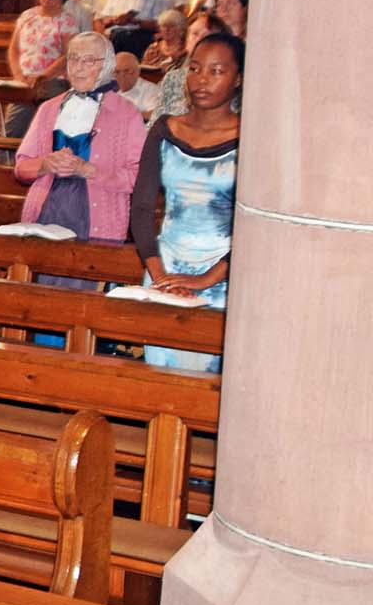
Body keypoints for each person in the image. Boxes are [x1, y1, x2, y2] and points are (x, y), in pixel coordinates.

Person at [131, 33, 242, 372]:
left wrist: (206, 279)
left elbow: (253, 225)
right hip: (165, 265)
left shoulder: (249, 137)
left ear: (238, 78)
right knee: (161, 376)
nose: (202, 79)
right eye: (195, 69)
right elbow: (141, 208)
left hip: (224, 274)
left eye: (216, 71)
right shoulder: (165, 129)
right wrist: (160, 275)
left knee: (208, 383)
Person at [14, 31, 145, 249]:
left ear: (107, 66)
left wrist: (90, 171)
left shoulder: (127, 114)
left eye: (89, 60)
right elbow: (21, 168)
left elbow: (137, 177)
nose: (78, 67)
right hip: (47, 211)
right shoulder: (48, 109)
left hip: (98, 218)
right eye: (73, 59)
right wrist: (45, 165)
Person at [8, 0, 77, 88]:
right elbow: (14, 49)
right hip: (23, 76)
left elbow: (67, 55)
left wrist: (41, 77)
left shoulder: (67, 21)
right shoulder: (27, 15)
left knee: (42, 96)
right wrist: (18, 74)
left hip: (52, 78)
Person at [154, 10, 219, 120]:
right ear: (187, 40)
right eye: (195, 34)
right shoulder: (172, 78)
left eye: (207, 35)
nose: (199, 39)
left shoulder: (225, 80)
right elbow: (156, 119)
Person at [114, 51, 160, 118]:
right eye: (117, 72)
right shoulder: (112, 93)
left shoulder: (151, 90)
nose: (122, 75)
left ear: (138, 71)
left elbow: (155, 114)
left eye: (127, 71)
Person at [141, 8, 187, 73]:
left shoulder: (186, 50)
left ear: (181, 30)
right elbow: (142, 69)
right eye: (164, 26)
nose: (167, 29)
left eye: (172, 26)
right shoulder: (153, 48)